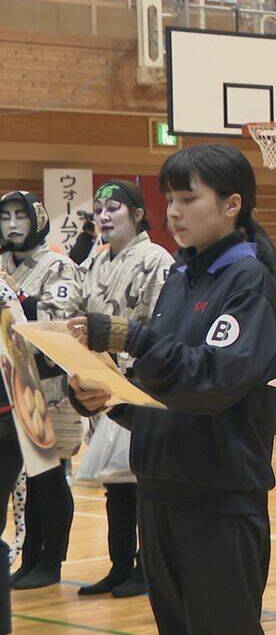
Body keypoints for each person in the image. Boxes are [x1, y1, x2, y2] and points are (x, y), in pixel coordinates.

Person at [67, 143, 276, 634]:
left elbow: (215, 381)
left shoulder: (250, 280)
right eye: (169, 199)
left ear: (232, 204)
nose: (173, 212)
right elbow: (165, 391)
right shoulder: (181, 275)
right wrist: (110, 397)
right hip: (160, 489)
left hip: (219, 497)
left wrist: (132, 335)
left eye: (188, 199)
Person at [75, 180, 173, 598]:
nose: (103, 215)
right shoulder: (97, 260)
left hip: (137, 382)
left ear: (136, 214)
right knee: (115, 484)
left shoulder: (157, 259)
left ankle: (145, 568)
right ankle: (118, 565)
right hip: (104, 382)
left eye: (113, 207)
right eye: (98, 208)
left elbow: (161, 324)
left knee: (141, 479)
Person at [0, 190, 84, 590]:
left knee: (50, 478)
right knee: (26, 482)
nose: (12, 224)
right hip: (9, 389)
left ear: (36, 219)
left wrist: (17, 298)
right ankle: (30, 556)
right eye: (5, 217)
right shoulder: (1, 263)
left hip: (50, 388)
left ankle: (52, 560)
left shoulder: (58, 266)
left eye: (20, 216)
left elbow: (60, 323)